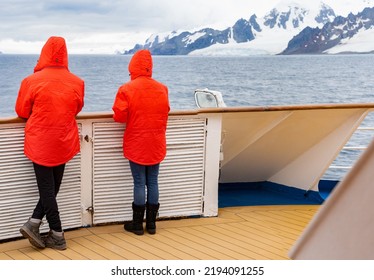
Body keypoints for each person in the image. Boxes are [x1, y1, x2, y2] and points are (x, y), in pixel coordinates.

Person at [15, 36, 85, 250]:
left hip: (40, 142)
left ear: (44, 53)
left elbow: (21, 111)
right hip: (63, 140)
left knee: (48, 189)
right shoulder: (77, 82)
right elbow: (77, 108)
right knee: (52, 189)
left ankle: (57, 234)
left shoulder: (30, 81)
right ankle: (36, 224)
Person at [112, 49, 170, 235]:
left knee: (139, 182)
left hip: (136, 142)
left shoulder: (126, 88)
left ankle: (137, 225)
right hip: (156, 141)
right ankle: (151, 224)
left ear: (132, 67)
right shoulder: (162, 88)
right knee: (153, 181)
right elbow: (165, 110)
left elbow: (119, 117)